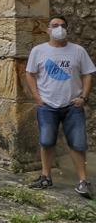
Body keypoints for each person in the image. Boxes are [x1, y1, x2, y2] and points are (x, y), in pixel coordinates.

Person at [26, 15, 95, 199]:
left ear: (67, 29)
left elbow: (88, 74)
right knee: (47, 141)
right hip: (47, 105)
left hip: (73, 105)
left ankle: (82, 181)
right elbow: (30, 74)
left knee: (78, 143)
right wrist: (37, 97)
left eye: (63, 25)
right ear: (48, 30)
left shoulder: (78, 51)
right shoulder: (38, 51)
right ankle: (45, 176)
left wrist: (83, 97)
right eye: (55, 25)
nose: (59, 28)